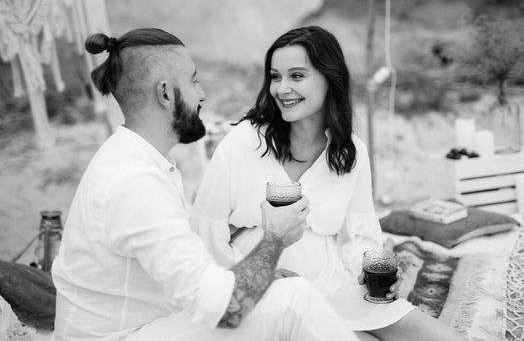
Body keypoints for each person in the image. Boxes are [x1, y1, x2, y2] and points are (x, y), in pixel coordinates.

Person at [51, 28, 362, 341]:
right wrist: (275, 238)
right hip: (121, 336)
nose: (202, 94)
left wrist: (261, 279)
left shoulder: (137, 159)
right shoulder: (134, 182)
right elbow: (228, 310)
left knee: (286, 294)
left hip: (152, 325)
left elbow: (193, 279)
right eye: (193, 80)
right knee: (294, 301)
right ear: (166, 93)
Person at [191, 26, 467, 341]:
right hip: (266, 288)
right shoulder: (243, 142)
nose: (282, 88)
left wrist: (370, 266)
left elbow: (356, 238)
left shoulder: (350, 151)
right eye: (275, 76)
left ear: (329, 78)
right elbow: (205, 237)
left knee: (433, 335)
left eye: (296, 76)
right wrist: (253, 278)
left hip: (335, 284)